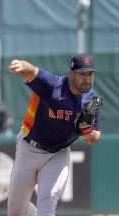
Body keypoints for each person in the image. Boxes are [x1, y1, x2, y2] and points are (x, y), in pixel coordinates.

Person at [7, 53, 102, 216]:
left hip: (58, 155)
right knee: (16, 211)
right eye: (82, 74)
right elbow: (32, 71)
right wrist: (22, 65)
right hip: (28, 148)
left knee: (48, 201)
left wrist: (86, 131)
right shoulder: (53, 85)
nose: (87, 79)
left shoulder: (91, 100)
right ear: (71, 73)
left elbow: (95, 138)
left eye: (90, 74)